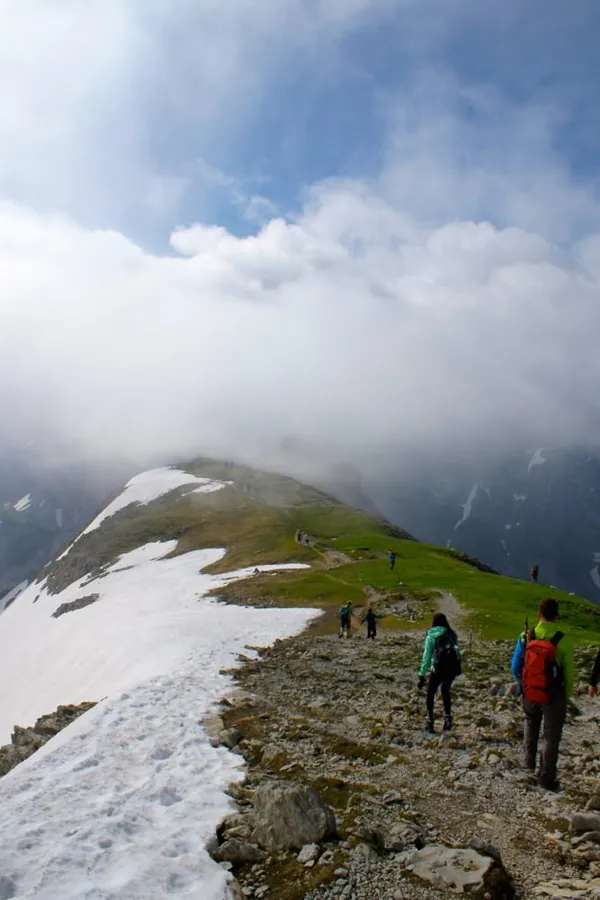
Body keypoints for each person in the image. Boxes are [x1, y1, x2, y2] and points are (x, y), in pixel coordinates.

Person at [510, 597, 574, 791]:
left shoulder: (526, 636)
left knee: (530, 725)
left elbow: (515, 666)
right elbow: (570, 672)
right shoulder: (562, 640)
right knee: (551, 735)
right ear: (557, 616)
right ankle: (546, 777)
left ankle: (527, 767)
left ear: (539, 614)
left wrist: (523, 685)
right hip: (553, 694)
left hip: (530, 692)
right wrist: (566, 695)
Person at [418, 613, 462, 733]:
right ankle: (448, 718)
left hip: (437, 668)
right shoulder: (452, 634)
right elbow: (457, 651)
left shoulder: (431, 635)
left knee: (431, 693)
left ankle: (430, 721)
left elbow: (426, 656)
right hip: (451, 668)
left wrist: (422, 674)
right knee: (445, 691)